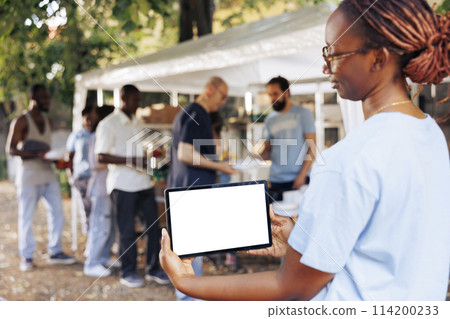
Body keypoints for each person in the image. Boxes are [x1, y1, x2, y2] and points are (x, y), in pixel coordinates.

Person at [160, 0, 450, 300]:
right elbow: (385, 239)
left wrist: (186, 281)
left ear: (378, 58)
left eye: (334, 53)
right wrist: (302, 238)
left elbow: (291, 287)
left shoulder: (348, 159)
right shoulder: (429, 133)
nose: (326, 66)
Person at [168, 76, 237, 300]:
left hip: (186, 189)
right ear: (209, 89)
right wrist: (219, 167)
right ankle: (190, 299)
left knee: (190, 253)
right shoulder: (197, 112)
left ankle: (190, 297)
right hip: (190, 191)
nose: (224, 101)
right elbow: (185, 153)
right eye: (222, 95)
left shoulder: (191, 112)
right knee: (190, 254)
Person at [95, 85, 169, 288]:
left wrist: (154, 153)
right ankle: (128, 272)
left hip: (143, 182)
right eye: (135, 100)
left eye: (139, 100)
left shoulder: (138, 121)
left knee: (153, 228)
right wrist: (133, 160)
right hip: (122, 185)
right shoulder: (108, 124)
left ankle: (153, 269)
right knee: (127, 231)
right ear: (123, 98)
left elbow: (143, 149)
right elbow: (101, 155)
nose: (138, 104)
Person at [5, 84, 76, 272]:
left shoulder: (48, 121)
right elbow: (11, 149)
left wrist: (58, 161)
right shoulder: (21, 120)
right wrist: (37, 155)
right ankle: (27, 256)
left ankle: (56, 251)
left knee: (57, 213)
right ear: (32, 97)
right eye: (43, 98)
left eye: (48, 98)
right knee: (26, 217)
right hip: (29, 176)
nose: (47, 101)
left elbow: (47, 152)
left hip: (48, 174)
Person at [256, 76, 316, 194]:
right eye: (270, 95)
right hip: (276, 180)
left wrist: (302, 176)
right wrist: (257, 155)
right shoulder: (269, 120)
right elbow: (268, 150)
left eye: (275, 94)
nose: (273, 98)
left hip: (299, 180)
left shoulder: (303, 114)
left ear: (286, 93)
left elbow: (312, 148)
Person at [83, 105, 116, 277]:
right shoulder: (96, 136)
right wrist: (116, 158)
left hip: (109, 188)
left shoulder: (106, 135)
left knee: (110, 227)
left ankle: (103, 256)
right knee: (99, 226)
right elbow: (95, 163)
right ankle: (92, 263)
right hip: (100, 188)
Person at [66, 105, 96, 228]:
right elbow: (69, 157)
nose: (89, 122)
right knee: (86, 209)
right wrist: (71, 176)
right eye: (87, 118)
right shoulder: (77, 136)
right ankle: (89, 237)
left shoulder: (98, 134)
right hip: (82, 177)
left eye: (91, 119)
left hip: (96, 177)